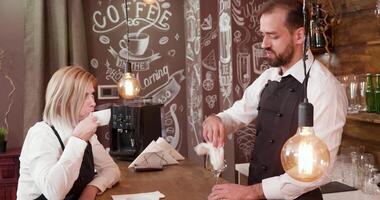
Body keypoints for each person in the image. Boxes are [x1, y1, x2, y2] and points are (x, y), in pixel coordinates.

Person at [202, 0, 347, 199]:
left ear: (299, 35)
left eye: (273, 36)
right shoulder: (269, 76)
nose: (264, 44)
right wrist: (217, 120)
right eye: (263, 34)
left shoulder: (324, 88)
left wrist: (253, 191)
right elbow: (237, 114)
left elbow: (319, 172)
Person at [17, 66, 121, 200]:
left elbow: (111, 169)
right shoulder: (41, 134)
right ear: (61, 101)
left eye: (92, 94)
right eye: (84, 96)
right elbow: (53, 193)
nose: (93, 103)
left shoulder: (83, 130)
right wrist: (78, 139)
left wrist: (93, 187)